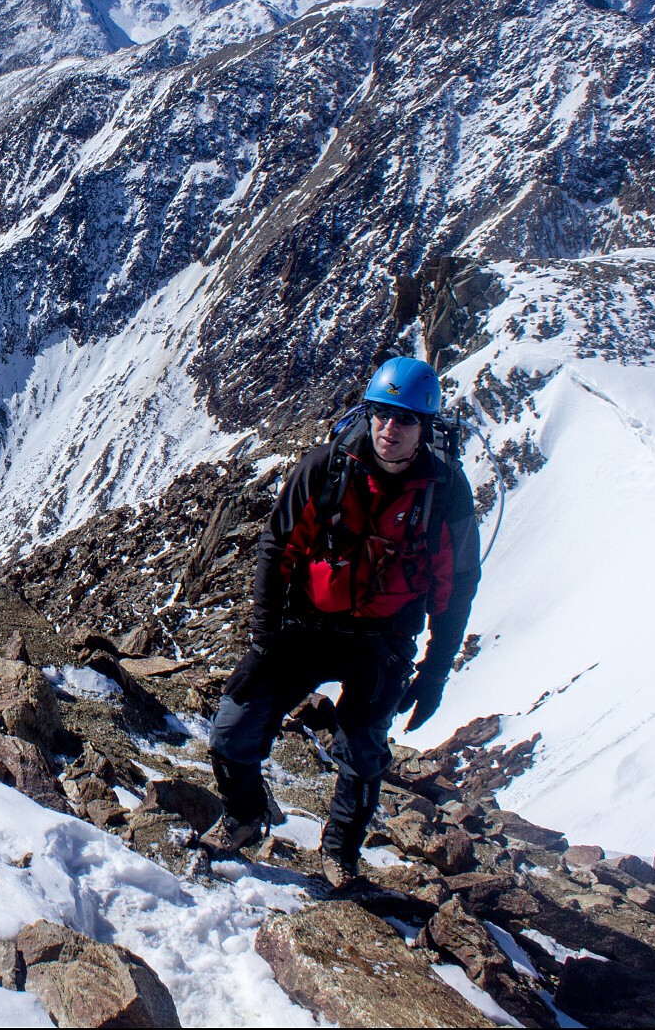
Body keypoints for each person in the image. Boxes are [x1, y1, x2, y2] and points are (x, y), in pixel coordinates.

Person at [203, 356, 481, 889]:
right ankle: (244, 816)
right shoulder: (327, 467)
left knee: (362, 751)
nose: (389, 429)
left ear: (424, 428)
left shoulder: (445, 494)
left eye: (404, 419)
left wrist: (434, 672)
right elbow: (276, 546)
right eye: (381, 413)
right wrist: (264, 635)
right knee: (231, 728)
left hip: (383, 639)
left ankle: (340, 854)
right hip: (305, 628)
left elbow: (456, 589)